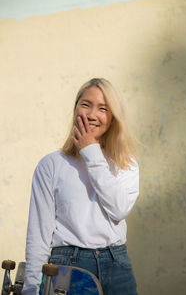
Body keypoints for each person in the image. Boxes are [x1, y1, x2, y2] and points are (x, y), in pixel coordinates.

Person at [22, 78, 139, 295]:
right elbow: (39, 234)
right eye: (85, 104)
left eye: (103, 108)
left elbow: (119, 209)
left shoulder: (126, 163)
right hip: (68, 264)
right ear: (75, 108)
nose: (92, 115)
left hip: (117, 264)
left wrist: (91, 152)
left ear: (113, 118)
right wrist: (31, 289)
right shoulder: (52, 164)